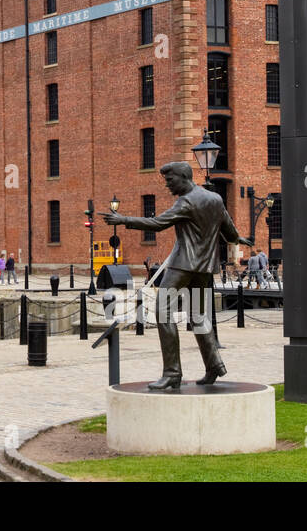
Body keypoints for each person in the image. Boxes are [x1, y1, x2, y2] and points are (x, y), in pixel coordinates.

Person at [105, 160, 252, 390]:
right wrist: (237, 239)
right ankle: (214, 364)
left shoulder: (186, 202)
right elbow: (228, 229)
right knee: (198, 316)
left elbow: (156, 224)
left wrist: (124, 220)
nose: (167, 185)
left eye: (169, 180)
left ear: (184, 178)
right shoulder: (214, 199)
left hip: (183, 265)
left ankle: (172, 372)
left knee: (162, 311)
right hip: (204, 268)